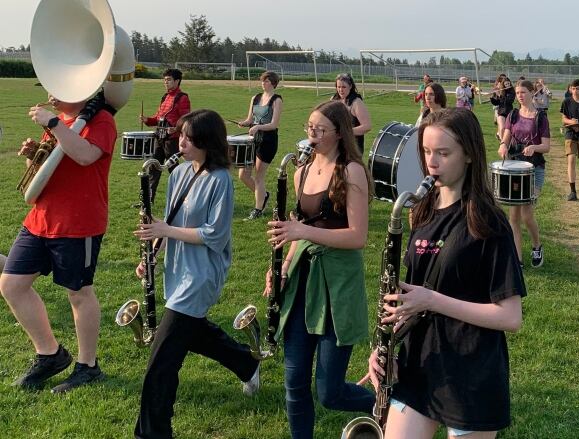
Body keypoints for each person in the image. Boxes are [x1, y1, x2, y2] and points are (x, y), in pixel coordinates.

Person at [366, 107, 525, 438]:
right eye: (426, 151)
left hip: (470, 371)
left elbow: (510, 317)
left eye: (443, 152)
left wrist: (432, 300)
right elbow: (408, 298)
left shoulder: (489, 222)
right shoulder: (421, 210)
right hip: (418, 364)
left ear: (468, 154)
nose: (432, 162)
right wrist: (383, 347)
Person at [133, 109, 260, 439]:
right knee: (194, 334)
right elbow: (170, 220)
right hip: (177, 271)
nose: (181, 141)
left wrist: (166, 230)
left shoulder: (220, 180)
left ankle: (152, 433)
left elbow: (214, 235)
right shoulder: (179, 174)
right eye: (181, 135)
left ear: (206, 141)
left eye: (188, 137)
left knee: (162, 362)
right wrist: (153, 252)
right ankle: (246, 363)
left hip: (200, 276)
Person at [265, 100, 375, 439]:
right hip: (302, 281)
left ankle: (391, 404)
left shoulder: (352, 172)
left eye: (319, 129)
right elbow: (298, 228)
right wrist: (282, 267)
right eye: (309, 128)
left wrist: (302, 232)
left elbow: (357, 237)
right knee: (294, 383)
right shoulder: (302, 171)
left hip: (337, 283)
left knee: (330, 392)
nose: (311, 135)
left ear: (340, 133)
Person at [1, 93, 117, 393]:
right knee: (11, 285)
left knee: (79, 293)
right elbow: (49, 169)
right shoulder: (58, 122)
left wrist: (53, 123)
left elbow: (84, 155)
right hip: (40, 219)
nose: (50, 95)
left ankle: (88, 366)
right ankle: (50, 355)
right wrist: (32, 155)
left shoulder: (101, 120)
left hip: (79, 223)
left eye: (57, 88)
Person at [499, 80, 551, 269]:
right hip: (515, 168)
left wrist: (534, 147)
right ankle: (518, 259)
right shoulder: (512, 115)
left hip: (534, 169)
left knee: (527, 215)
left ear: (532, 93)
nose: (520, 95)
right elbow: (505, 137)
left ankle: (537, 246)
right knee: (513, 216)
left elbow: (546, 147)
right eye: (517, 92)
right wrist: (503, 145)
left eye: (523, 92)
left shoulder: (540, 117)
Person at [238, 71, 284, 220]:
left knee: (259, 177)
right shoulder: (255, 98)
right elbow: (250, 119)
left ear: (273, 83)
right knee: (243, 175)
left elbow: (274, 124)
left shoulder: (276, 100)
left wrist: (258, 127)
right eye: (262, 81)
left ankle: (258, 209)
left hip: (268, 140)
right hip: (253, 139)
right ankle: (263, 195)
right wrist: (244, 123)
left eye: (266, 81)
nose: (263, 83)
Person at [140, 68, 191, 204]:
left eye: (169, 80)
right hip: (160, 138)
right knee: (153, 168)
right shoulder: (165, 97)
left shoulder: (182, 98)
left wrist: (176, 129)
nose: (166, 82)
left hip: (172, 141)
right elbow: (158, 117)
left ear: (177, 81)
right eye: (165, 80)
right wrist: (148, 120)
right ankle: (147, 200)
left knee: (174, 170)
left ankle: (184, 198)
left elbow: (185, 119)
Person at [332, 73, 371, 156]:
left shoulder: (356, 102)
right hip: (336, 145)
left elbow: (367, 126)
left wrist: (345, 132)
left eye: (344, 87)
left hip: (352, 148)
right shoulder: (333, 99)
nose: (340, 90)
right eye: (338, 87)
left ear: (350, 86)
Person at [490, 76, 515, 141]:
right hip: (501, 112)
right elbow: (496, 103)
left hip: (509, 112)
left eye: (508, 84)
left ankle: (507, 141)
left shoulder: (512, 91)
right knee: (501, 128)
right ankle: (502, 142)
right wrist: (492, 97)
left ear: (510, 84)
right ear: (503, 85)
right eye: (506, 84)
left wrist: (500, 95)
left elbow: (509, 101)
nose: (507, 85)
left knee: (507, 129)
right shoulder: (502, 91)